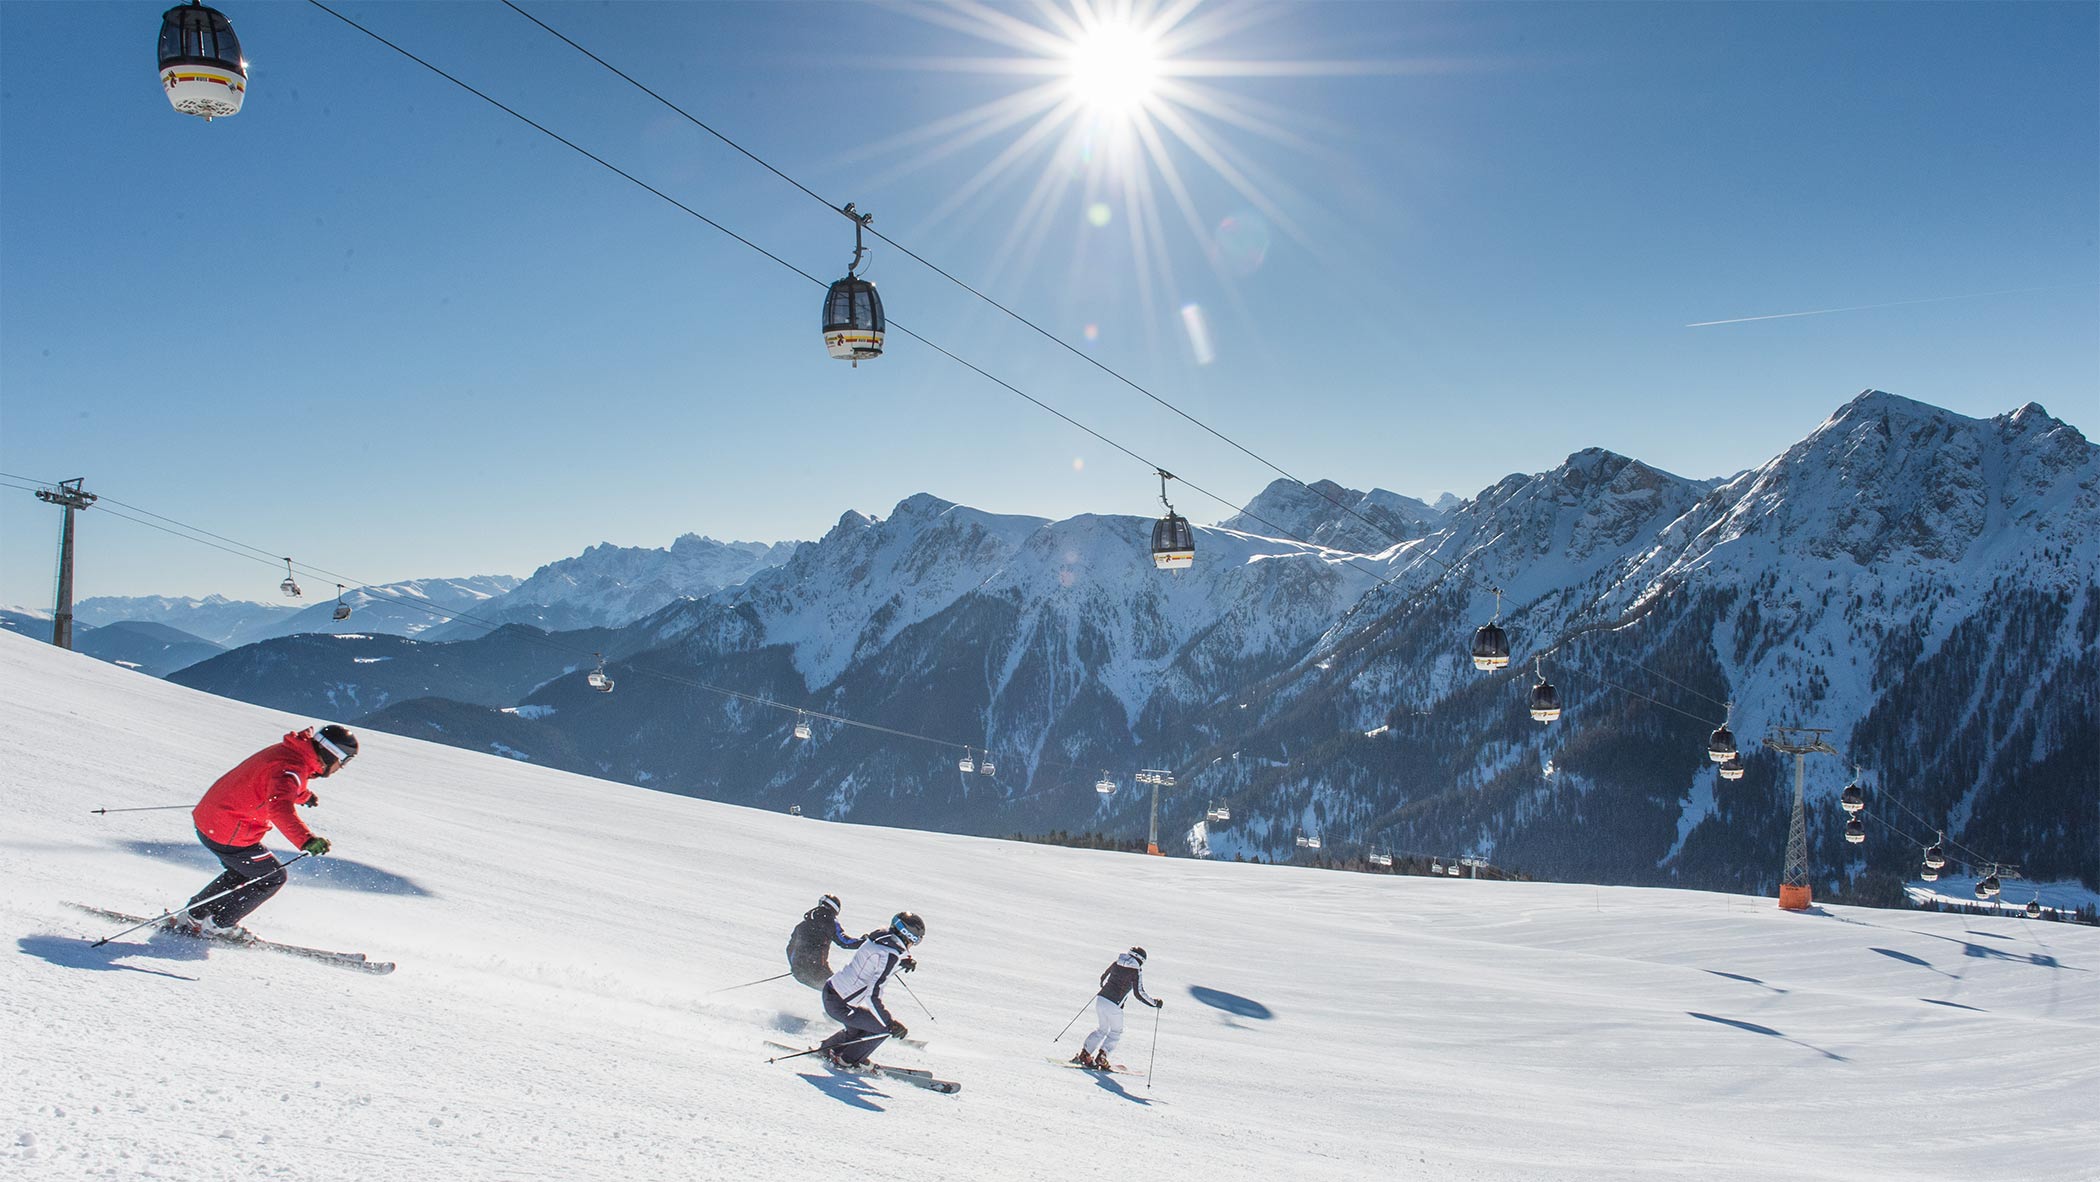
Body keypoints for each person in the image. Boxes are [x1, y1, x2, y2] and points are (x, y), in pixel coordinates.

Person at [171, 725, 357, 940]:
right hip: (228, 831)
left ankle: (195, 915)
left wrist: (303, 796)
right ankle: (219, 926)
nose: (341, 768)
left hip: (212, 819)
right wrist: (306, 840)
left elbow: (276, 782)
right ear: (332, 753)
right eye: (344, 761)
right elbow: (280, 808)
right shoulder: (292, 768)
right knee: (272, 877)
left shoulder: (291, 753)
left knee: (243, 872)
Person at [817, 911, 924, 1067]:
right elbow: (872, 996)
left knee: (858, 1030)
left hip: (834, 993)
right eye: (914, 941)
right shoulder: (890, 955)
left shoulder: (880, 938)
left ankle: (827, 1050)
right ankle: (846, 1061)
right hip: (840, 1003)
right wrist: (890, 1024)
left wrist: (903, 960)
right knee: (881, 1029)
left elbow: (876, 959)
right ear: (908, 936)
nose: (912, 945)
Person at [1075, 946, 1162, 1070]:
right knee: (1116, 1032)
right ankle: (1102, 1057)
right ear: (1140, 959)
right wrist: (1154, 1003)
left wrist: (1107, 989)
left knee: (1102, 1029)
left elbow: (1102, 978)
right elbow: (1139, 993)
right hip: (1114, 1004)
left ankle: (1085, 1055)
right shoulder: (1135, 970)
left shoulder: (1117, 963)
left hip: (1101, 999)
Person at [785, 893, 863, 989]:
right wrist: (864, 942)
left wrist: (796, 967)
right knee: (843, 991)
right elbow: (844, 942)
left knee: (836, 993)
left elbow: (790, 949)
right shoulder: (829, 921)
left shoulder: (803, 924)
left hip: (799, 972)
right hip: (818, 971)